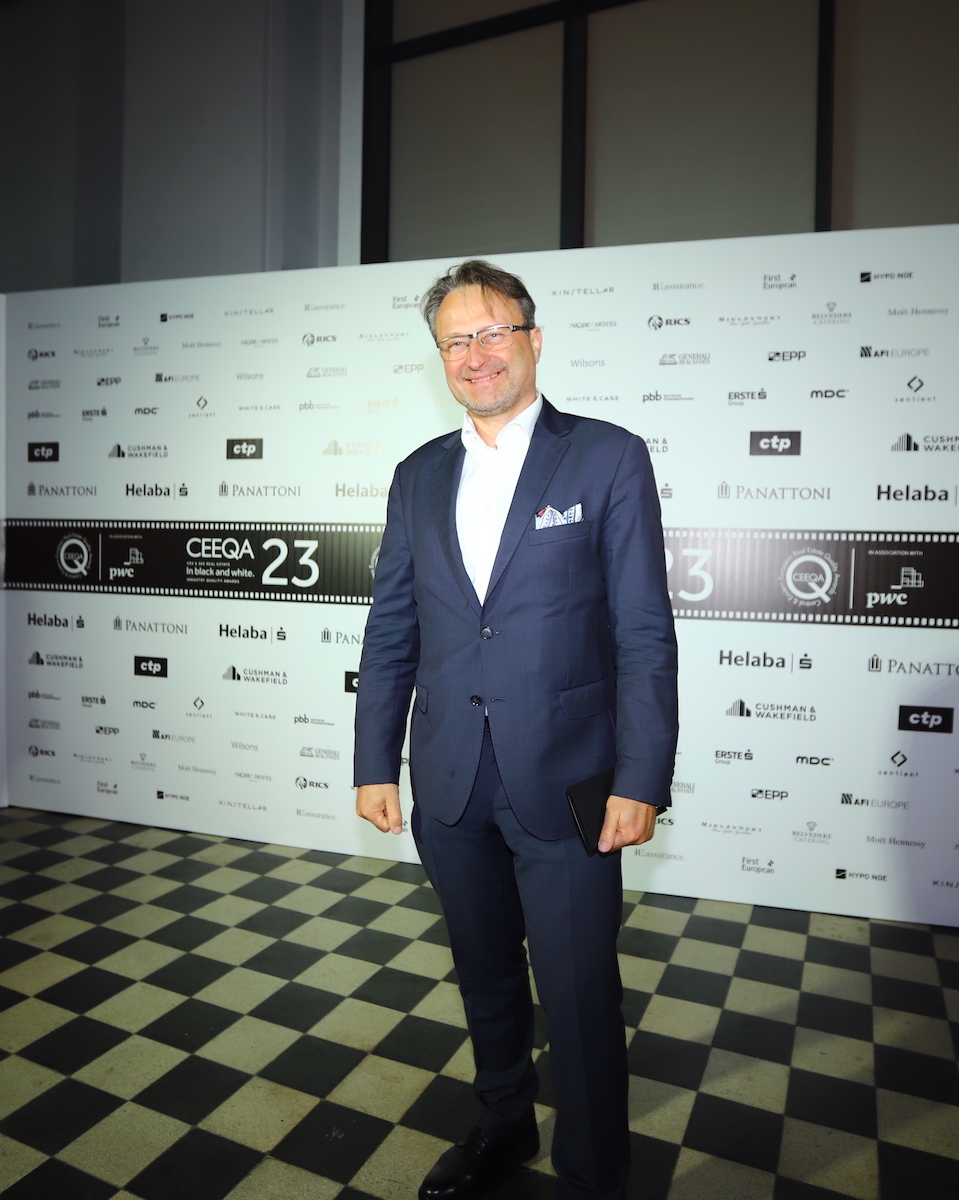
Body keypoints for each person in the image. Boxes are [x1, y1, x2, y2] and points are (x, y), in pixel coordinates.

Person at [354, 259, 679, 1200]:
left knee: (579, 995)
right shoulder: (418, 475)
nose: (476, 354)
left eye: (493, 332)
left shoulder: (607, 456)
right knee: (485, 978)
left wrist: (640, 777)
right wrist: (375, 761)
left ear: (533, 340)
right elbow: (392, 628)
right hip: (450, 781)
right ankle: (504, 1126)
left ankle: (593, 1175)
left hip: (570, 782)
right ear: (441, 358)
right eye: (456, 340)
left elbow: (643, 629)